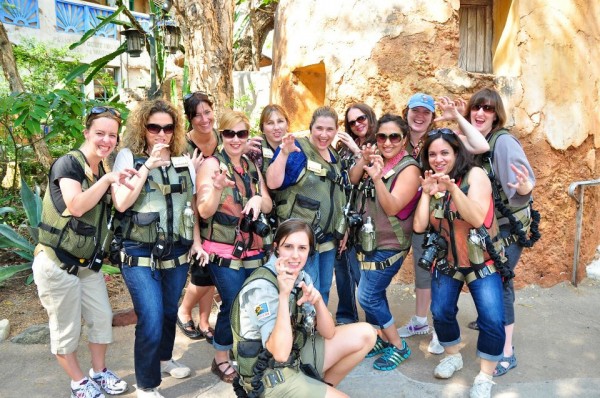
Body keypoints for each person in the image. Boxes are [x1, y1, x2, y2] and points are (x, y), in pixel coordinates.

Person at [32, 106, 133, 398]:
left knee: (101, 319)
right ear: (86, 132)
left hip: (87, 264)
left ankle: (98, 372)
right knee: (66, 330)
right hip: (56, 264)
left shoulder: (102, 166)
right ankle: (78, 381)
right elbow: (75, 205)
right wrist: (107, 180)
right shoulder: (69, 164)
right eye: (99, 133)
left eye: (112, 135)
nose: (106, 140)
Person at [112, 99, 203, 398]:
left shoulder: (183, 157)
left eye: (168, 128)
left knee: (167, 312)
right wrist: (148, 164)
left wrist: (198, 241)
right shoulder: (128, 157)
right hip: (139, 252)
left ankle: (164, 359)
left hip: (177, 250)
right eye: (154, 128)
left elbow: (190, 203)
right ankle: (147, 385)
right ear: (143, 128)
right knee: (150, 317)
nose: (161, 134)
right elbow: (122, 203)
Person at [413, 128, 511, 398]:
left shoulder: (475, 176)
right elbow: (420, 226)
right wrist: (425, 193)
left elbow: (477, 218)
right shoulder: (431, 180)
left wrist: (453, 189)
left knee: (492, 318)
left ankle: (485, 375)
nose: (438, 159)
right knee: (441, 310)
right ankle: (453, 355)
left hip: (482, 259)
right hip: (448, 260)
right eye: (432, 154)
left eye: (445, 152)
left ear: (457, 153)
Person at [231, 219, 376, 397]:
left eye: (302, 248)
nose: (295, 255)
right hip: (266, 374)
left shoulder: (300, 276)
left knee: (367, 334)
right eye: (288, 247)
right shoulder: (262, 287)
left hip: (295, 355)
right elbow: (280, 353)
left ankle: (321, 389)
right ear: (276, 248)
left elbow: (329, 333)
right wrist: (283, 296)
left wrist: (318, 302)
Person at [398, 93, 490, 355]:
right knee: (423, 269)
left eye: (425, 113)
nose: (419, 116)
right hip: (418, 216)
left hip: (446, 215)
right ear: (407, 113)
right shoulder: (399, 141)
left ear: (431, 117)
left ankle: (441, 330)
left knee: (448, 274)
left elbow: (481, 146)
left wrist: (458, 118)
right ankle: (420, 321)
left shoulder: (445, 140)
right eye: (415, 111)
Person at [464, 88, 539, 377]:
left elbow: (525, 182)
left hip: (508, 228)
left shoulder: (503, 142)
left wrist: (524, 187)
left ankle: (507, 352)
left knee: (501, 283)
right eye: (477, 108)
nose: (481, 113)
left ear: (497, 115)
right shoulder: (475, 141)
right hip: (486, 225)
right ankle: (490, 320)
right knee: (485, 278)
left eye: (488, 109)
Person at [197, 109, 273, 383]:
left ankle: (250, 352)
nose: (235, 139)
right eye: (229, 133)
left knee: (255, 301)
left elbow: (268, 202)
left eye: (241, 133)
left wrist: (256, 202)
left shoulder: (251, 165)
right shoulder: (211, 165)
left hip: (253, 248)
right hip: (223, 249)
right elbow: (204, 211)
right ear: (222, 134)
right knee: (234, 303)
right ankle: (220, 357)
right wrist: (217, 188)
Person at [347, 114, 420, 370]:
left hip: (391, 244)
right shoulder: (381, 161)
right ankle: (384, 338)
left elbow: (392, 207)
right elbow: (353, 180)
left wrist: (377, 178)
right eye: (382, 137)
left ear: (404, 140)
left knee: (366, 297)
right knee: (375, 292)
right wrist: (364, 160)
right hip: (370, 241)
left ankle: (399, 346)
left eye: (394, 137)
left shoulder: (409, 169)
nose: (387, 142)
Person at [266, 106, 347, 305]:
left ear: (336, 130)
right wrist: (283, 154)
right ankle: (299, 332)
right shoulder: (297, 150)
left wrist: (343, 230)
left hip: (328, 239)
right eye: (319, 128)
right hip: (300, 242)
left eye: (329, 129)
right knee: (305, 289)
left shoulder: (334, 156)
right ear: (311, 128)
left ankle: (318, 330)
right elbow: (273, 182)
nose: (324, 134)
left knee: (323, 289)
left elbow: (339, 196)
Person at [176, 91, 221, 342]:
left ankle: (204, 321)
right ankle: (184, 310)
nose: (204, 119)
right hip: (193, 213)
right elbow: (183, 189)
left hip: (218, 210)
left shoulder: (222, 138)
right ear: (189, 119)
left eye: (207, 112)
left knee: (213, 269)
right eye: (197, 115)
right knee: (202, 270)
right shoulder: (184, 146)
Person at [331, 103, 378, 325]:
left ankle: (375, 322)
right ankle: (347, 316)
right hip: (344, 212)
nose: (357, 124)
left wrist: (357, 150)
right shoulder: (342, 148)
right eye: (352, 122)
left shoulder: (380, 143)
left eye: (361, 119)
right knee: (342, 269)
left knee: (364, 274)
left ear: (369, 117)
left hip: (367, 215)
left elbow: (368, 173)